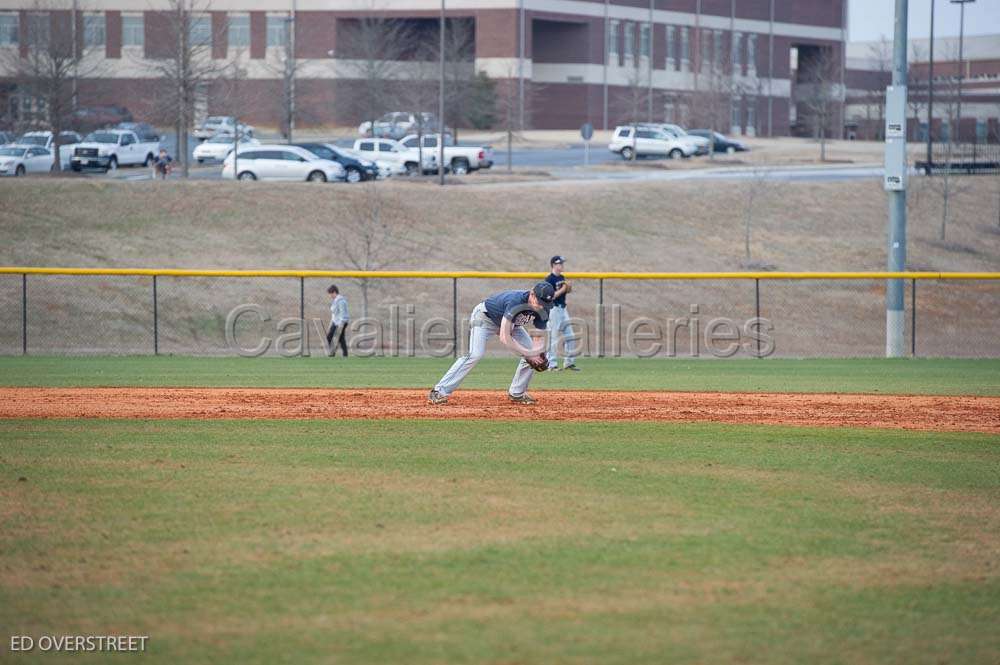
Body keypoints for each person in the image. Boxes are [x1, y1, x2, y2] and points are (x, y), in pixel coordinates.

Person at [429, 282, 555, 405]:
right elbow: (505, 337)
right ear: (532, 294)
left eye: (545, 304)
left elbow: (538, 337)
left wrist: (536, 353)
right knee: (475, 354)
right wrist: (529, 354)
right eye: (540, 302)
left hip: (512, 324)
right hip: (485, 318)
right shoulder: (516, 302)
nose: (541, 307)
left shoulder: (544, 308)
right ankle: (439, 391)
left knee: (533, 353)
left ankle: (517, 393)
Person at [545, 255, 580, 371]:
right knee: (554, 337)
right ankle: (551, 364)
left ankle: (569, 363)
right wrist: (563, 289)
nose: (562, 266)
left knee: (570, 336)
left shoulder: (562, 277)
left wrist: (568, 288)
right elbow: (550, 296)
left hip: (563, 309)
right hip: (553, 309)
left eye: (562, 264)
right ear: (554, 265)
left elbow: (565, 292)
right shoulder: (549, 280)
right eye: (560, 264)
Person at [326, 284, 349, 357]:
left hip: (341, 323)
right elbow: (334, 315)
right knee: (339, 338)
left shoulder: (341, 301)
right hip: (335, 322)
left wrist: (341, 325)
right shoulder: (335, 301)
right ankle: (344, 354)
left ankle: (334, 353)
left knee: (334, 337)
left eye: (330, 293)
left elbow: (343, 314)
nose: (330, 296)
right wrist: (331, 324)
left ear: (334, 292)